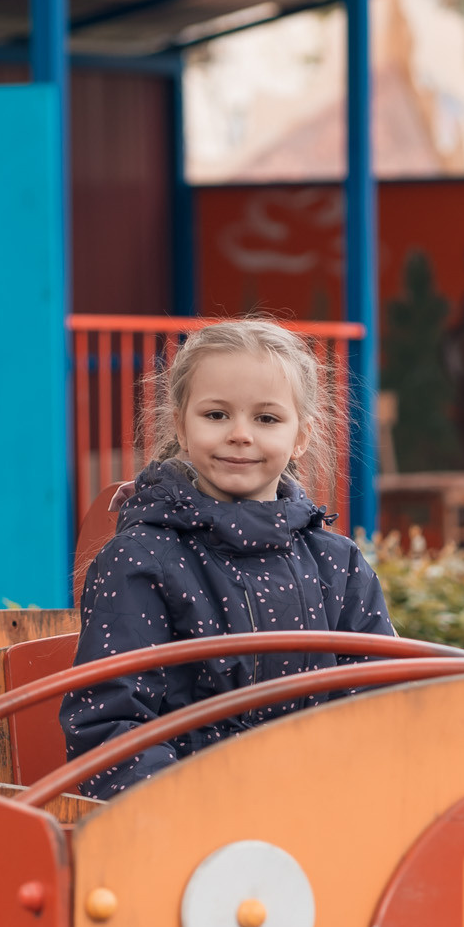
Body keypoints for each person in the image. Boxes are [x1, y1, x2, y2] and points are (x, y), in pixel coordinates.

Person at [61, 318, 396, 798]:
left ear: (301, 435)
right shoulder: (140, 559)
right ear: (180, 424)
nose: (240, 434)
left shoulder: (336, 563)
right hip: (191, 824)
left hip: (324, 813)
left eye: (266, 418)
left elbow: (380, 700)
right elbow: (112, 722)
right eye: (216, 415)